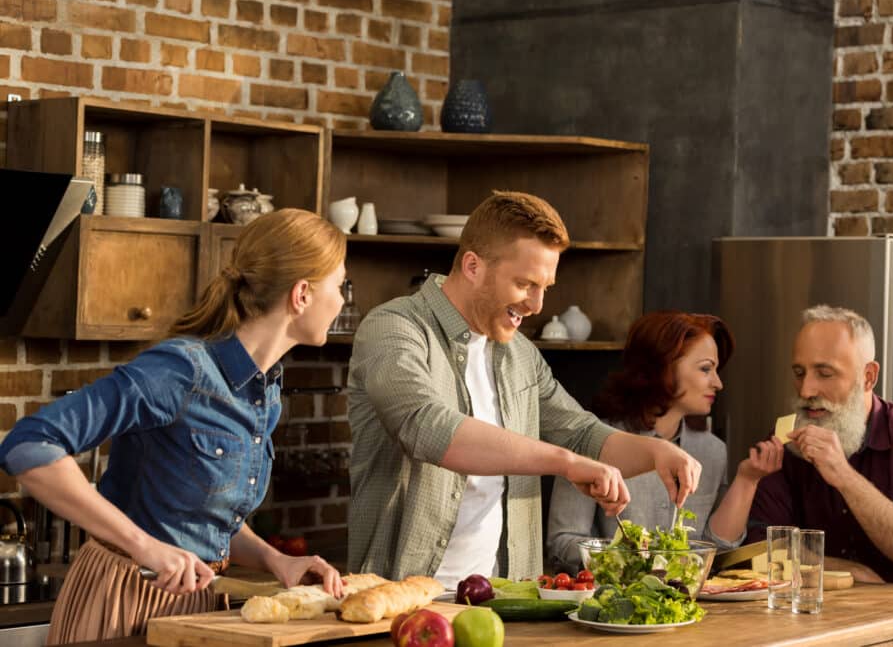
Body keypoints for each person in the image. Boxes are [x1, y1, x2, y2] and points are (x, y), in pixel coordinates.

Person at [0, 209, 348, 644]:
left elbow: (205, 518)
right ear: (301, 294)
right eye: (339, 285)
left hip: (198, 607)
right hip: (123, 599)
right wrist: (143, 545)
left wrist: (276, 560)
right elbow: (29, 444)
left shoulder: (263, 390)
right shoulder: (181, 370)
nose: (343, 300)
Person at [346, 191, 703, 588]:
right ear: (472, 266)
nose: (537, 304)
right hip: (402, 600)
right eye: (524, 284)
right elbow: (425, 426)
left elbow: (583, 434)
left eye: (545, 286)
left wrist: (656, 453)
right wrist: (564, 463)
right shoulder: (394, 329)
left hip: (506, 599)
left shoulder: (520, 355)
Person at [743, 304, 893, 647]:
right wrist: (846, 572)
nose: (805, 390)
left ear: (869, 376)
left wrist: (843, 475)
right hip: (834, 631)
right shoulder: (785, 444)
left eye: (824, 373)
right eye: (799, 372)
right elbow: (758, 551)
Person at [547, 311, 784, 572]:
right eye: (706, 369)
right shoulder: (591, 442)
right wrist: (630, 557)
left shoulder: (713, 451)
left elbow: (717, 550)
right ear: (663, 367)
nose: (718, 383)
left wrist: (747, 479)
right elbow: (562, 542)